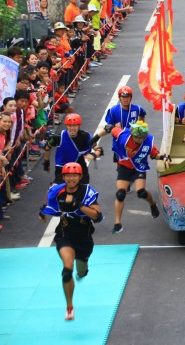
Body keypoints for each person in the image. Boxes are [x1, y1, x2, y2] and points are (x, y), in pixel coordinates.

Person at [38, 162, 103, 321]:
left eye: (74, 175)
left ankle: (83, 271)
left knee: (80, 271)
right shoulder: (57, 190)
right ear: (63, 177)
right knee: (67, 270)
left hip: (84, 238)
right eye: (67, 175)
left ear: (80, 177)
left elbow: (98, 216)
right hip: (64, 235)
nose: (71, 178)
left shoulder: (87, 192)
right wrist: (43, 212)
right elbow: (48, 203)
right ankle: (69, 307)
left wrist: (78, 205)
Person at [111, 121, 168, 234]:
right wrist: (111, 128)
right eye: (137, 137)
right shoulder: (125, 137)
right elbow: (113, 130)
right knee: (120, 194)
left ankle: (152, 204)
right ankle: (117, 223)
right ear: (132, 135)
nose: (139, 140)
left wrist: (163, 157)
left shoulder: (147, 143)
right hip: (125, 167)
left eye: (142, 137)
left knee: (141, 192)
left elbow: (154, 154)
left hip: (139, 168)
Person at [44, 113, 103, 184]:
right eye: (69, 125)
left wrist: (93, 155)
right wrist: (46, 163)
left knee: (84, 191)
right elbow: (47, 147)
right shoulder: (59, 137)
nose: (72, 128)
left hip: (80, 168)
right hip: (63, 169)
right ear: (66, 126)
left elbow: (99, 150)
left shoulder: (85, 136)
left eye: (74, 125)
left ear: (79, 126)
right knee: (56, 191)